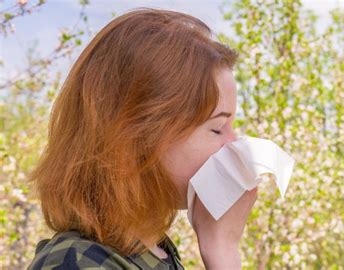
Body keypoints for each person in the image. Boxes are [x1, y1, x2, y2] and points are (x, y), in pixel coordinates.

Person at [27, 7, 258, 270]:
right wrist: (222, 250)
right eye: (217, 128)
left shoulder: (154, 250)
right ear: (141, 136)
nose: (234, 143)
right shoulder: (77, 263)